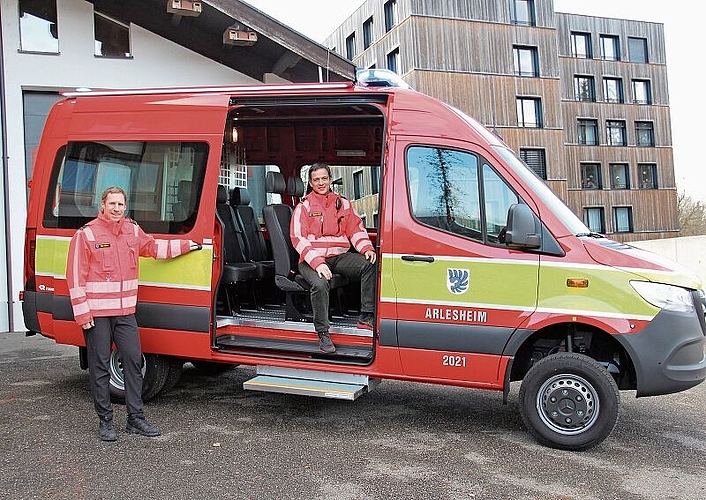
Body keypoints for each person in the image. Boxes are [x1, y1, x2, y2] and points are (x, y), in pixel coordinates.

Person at [66, 186, 201, 441]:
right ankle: (105, 421)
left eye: (121, 204)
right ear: (103, 205)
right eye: (112, 204)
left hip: (125, 312)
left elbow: (154, 248)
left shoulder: (132, 230)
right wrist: (83, 314)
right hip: (97, 315)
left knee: (133, 361)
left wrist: (189, 245)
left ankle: (135, 419)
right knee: (100, 367)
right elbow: (75, 277)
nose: (117, 209)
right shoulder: (86, 235)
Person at [290, 163, 377, 354]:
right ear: (311, 183)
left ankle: (366, 317)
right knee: (320, 284)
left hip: (339, 256)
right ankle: (323, 332)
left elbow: (355, 229)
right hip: (310, 259)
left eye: (324, 178)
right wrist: (318, 263)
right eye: (316, 180)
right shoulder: (303, 207)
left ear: (330, 179)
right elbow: (298, 239)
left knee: (370, 264)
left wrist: (366, 248)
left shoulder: (343, 203)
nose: (321, 183)